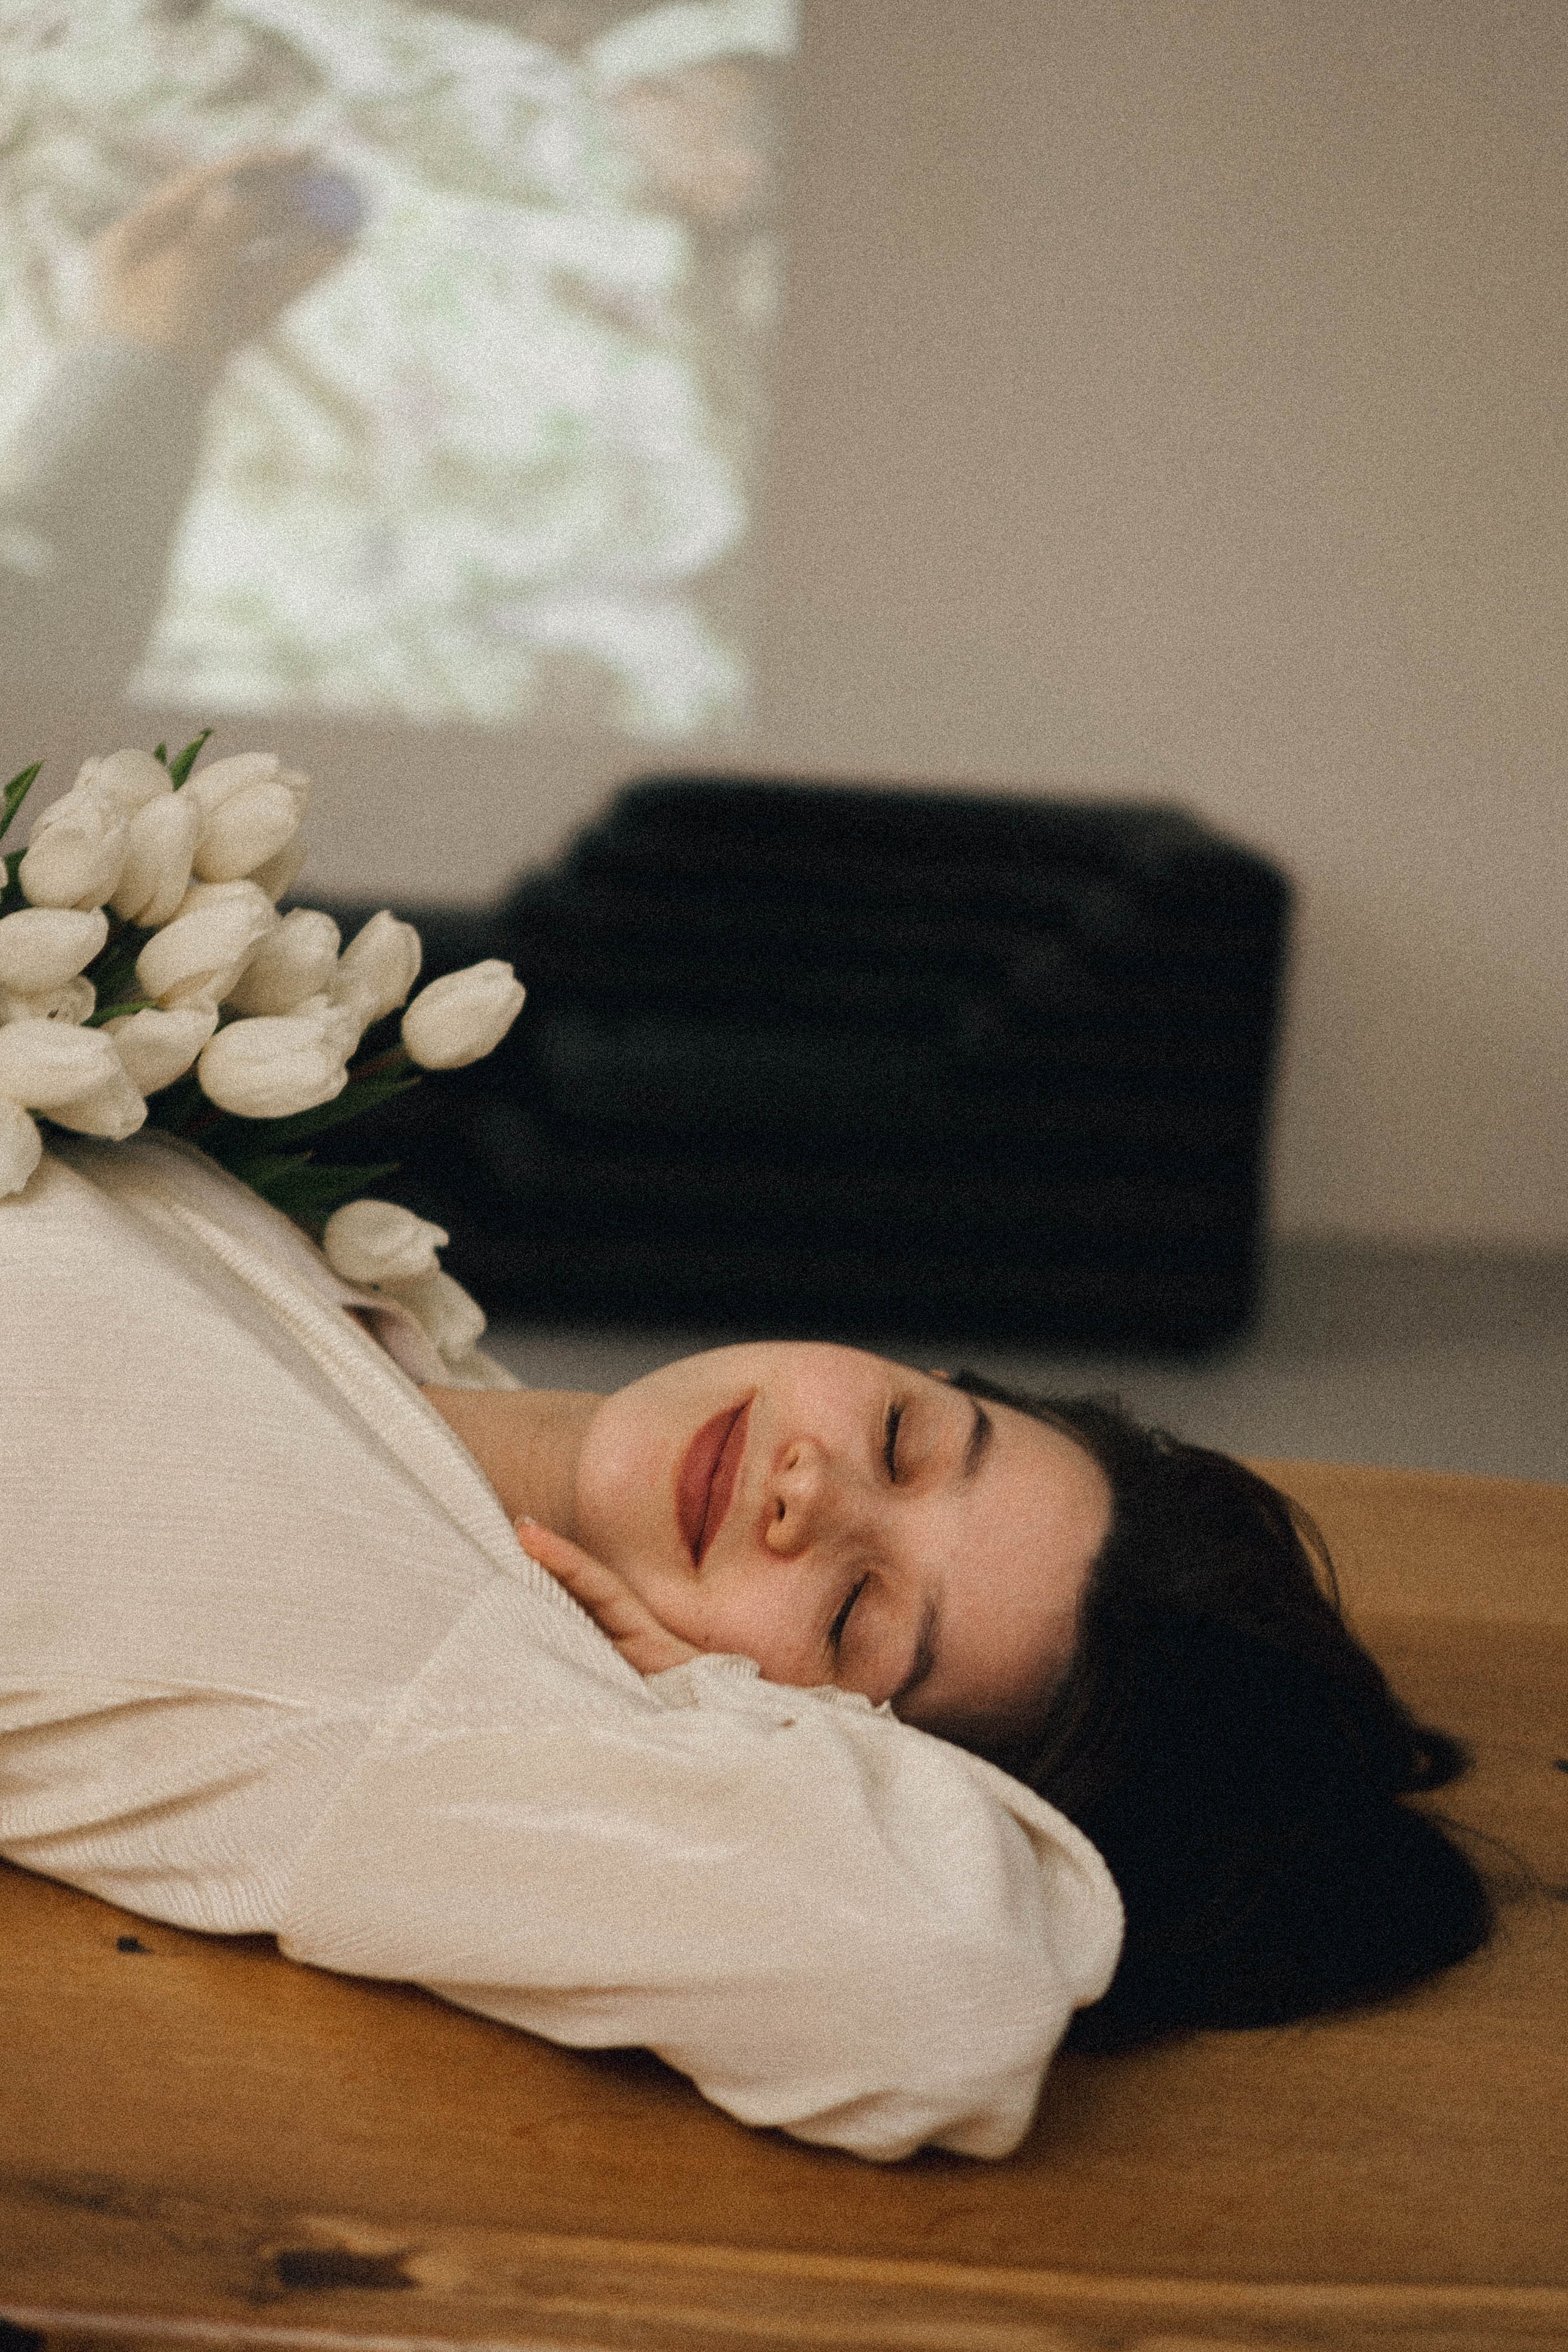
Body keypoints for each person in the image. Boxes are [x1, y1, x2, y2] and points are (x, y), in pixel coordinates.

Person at [0, 1129, 1490, 2160]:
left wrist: (703, 1716)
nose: (809, 1492)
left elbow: (946, 1990)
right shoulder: (386, 1319)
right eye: (907, 1436)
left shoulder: (441, 1700)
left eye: (854, 1623)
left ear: (846, 1752)